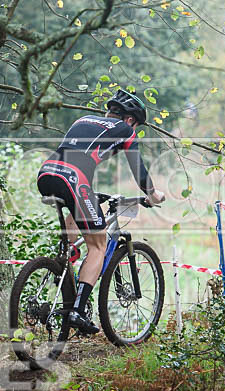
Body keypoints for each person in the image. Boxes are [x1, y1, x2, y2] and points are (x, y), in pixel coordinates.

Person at [37, 89, 166, 335]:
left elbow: (78, 159)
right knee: (99, 244)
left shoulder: (82, 120)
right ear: (130, 120)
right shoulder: (125, 130)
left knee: (78, 215)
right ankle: (76, 310)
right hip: (75, 179)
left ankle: (62, 263)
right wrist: (152, 193)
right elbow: (138, 170)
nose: (134, 131)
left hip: (47, 173)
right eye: (136, 126)